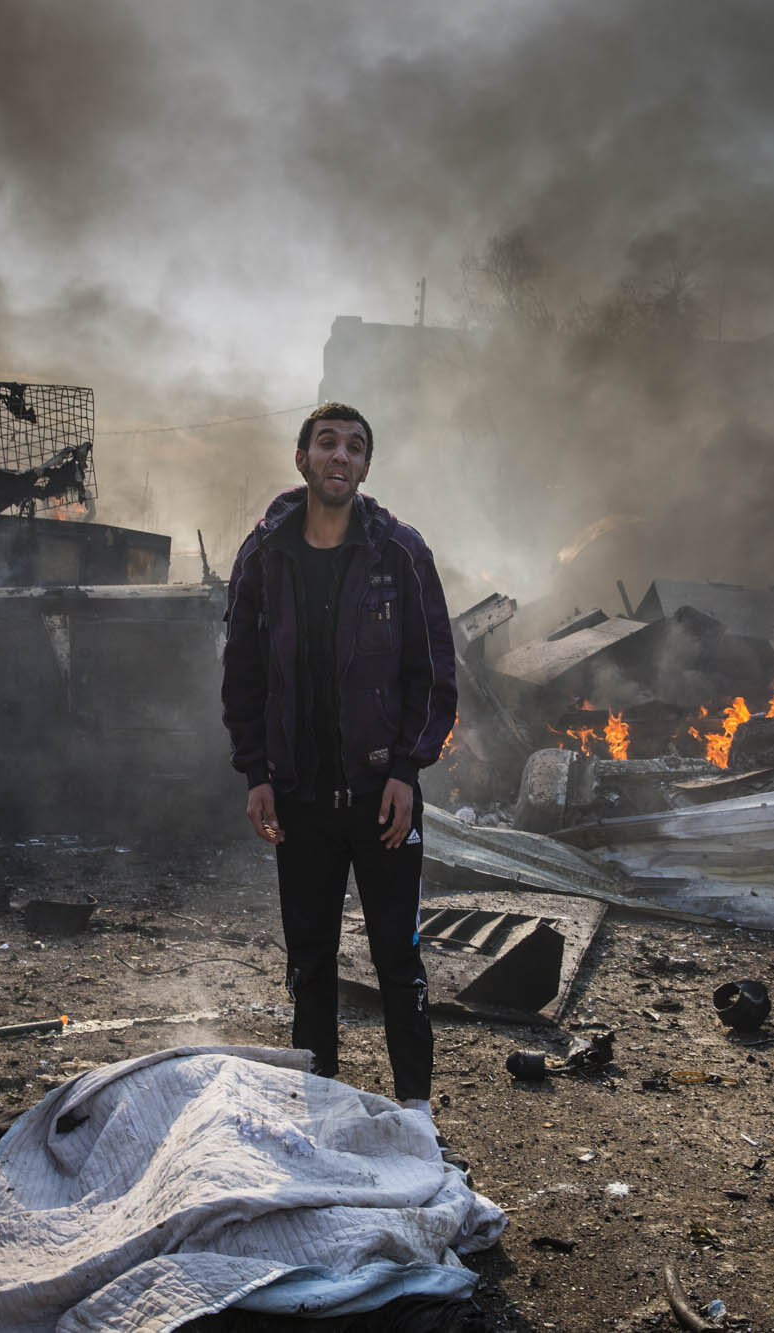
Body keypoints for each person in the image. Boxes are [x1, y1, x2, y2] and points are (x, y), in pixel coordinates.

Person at [220, 403, 457, 1118]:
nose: (341, 456)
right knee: (311, 959)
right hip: (301, 799)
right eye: (328, 443)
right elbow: (245, 674)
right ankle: (316, 1105)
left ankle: (415, 1111)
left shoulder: (400, 553)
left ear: (365, 467)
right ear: (302, 459)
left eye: (356, 447)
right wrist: (257, 772)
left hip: (381, 797)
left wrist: (408, 772)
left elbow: (434, 672)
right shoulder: (264, 555)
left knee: (397, 958)